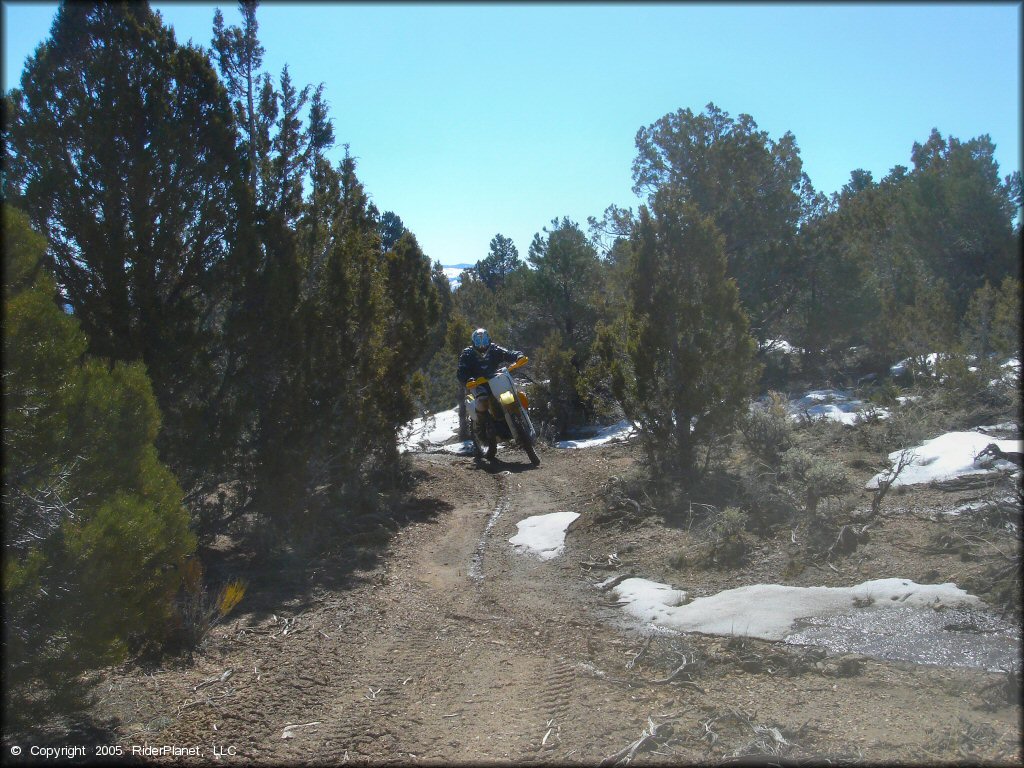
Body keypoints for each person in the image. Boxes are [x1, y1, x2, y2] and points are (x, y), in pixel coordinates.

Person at [457, 328, 524, 460]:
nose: (481, 344)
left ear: (489, 339)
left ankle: (519, 423)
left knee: (510, 394)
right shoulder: (467, 353)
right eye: (478, 340)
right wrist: (468, 379)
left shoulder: (494, 349)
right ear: (473, 341)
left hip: (495, 380)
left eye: (484, 340)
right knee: (482, 400)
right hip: (477, 384)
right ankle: (481, 428)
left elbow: (508, 353)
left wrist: (518, 356)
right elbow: (462, 370)